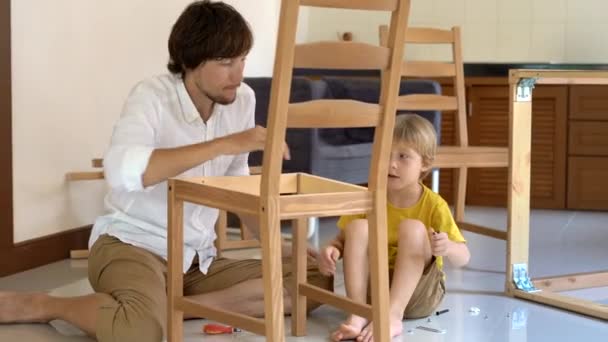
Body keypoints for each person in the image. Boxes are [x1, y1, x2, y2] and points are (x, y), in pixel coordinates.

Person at [0, 1, 331, 341]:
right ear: (189, 61)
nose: (238, 74)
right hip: (131, 245)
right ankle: (47, 306)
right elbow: (122, 171)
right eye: (225, 63)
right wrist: (224, 144)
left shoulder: (242, 99)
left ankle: (179, 307)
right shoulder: (151, 97)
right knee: (139, 331)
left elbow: (238, 191)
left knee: (316, 279)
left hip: (195, 261)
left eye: (243, 59)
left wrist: (278, 244)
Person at [317, 114, 471, 342]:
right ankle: (358, 312)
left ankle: (393, 316)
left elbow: (464, 257)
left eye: (403, 156)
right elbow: (342, 239)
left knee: (413, 229)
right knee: (358, 227)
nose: (391, 164)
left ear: (425, 164)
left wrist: (446, 247)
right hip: (373, 293)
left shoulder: (434, 204)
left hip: (417, 295)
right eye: (385, 154)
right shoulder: (368, 197)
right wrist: (332, 249)